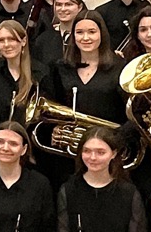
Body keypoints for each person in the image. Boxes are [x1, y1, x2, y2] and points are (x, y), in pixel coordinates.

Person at [39, 11, 128, 188]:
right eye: (79, 32)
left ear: (102, 34)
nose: (85, 37)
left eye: (92, 32)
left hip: (108, 155)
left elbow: (131, 112)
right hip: (67, 158)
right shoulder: (59, 68)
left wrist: (116, 139)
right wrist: (53, 130)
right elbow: (46, 108)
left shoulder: (120, 69)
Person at [0, 121, 54, 232]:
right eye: (0, 142)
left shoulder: (40, 184)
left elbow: (48, 227)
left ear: (24, 149)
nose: (5, 148)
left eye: (13, 144)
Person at [56, 127, 146, 232]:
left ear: (113, 153)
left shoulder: (129, 193)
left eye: (101, 152)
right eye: (87, 151)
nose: (93, 157)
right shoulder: (69, 189)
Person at [0, 21, 48, 161]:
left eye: (11, 39)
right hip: (3, 151)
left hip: (34, 153)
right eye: (1, 40)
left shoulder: (41, 73)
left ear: (23, 41)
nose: (6, 45)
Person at [30, 0, 85, 66]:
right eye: (59, 4)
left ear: (79, 7)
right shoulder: (44, 40)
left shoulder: (86, 37)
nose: (63, 9)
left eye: (68, 4)